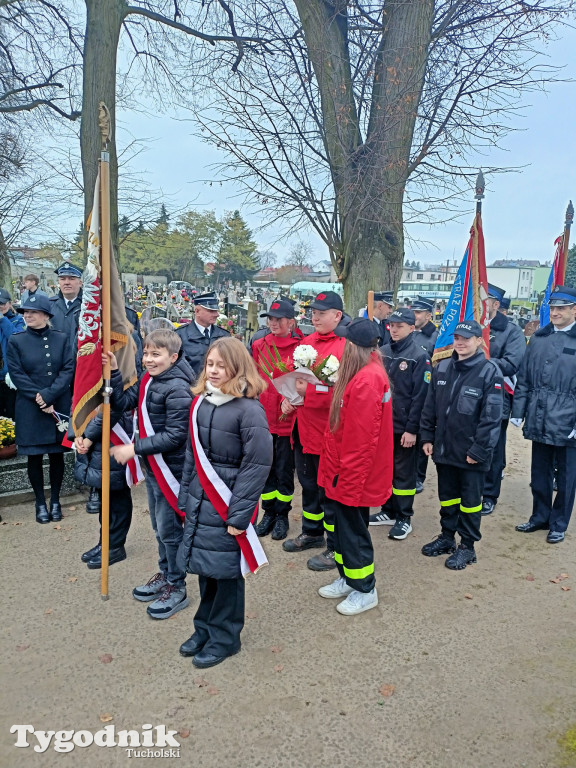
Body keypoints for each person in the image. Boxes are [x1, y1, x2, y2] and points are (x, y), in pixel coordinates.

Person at [177, 337, 272, 668]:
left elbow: (256, 466)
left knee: (228, 576)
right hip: (201, 503)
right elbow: (192, 457)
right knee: (206, 571)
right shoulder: (201, 402)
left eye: (221, 365)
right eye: (210, 364)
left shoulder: (250, 410)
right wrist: (184, 500)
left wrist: (240, 515)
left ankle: (225, 638)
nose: (213, 371)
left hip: (228, 504)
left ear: (238, 367)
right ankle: (204, 628)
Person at [108, 328, 194, 619]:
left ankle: (177, 586)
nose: (148, 359)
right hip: (154, 468)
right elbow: (124, 403)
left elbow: (175, 436)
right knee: (159, 528)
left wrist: (134, 449)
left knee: (170, 531)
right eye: (146, 353)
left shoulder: (178, 388)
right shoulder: (149, 378)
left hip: (172, 470)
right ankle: (166, 572)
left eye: (155, 354)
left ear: (173, 356)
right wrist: (116, 374)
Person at [316, 318, 393, 615]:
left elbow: (362, 440)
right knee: (341, 527)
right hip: (342, 467)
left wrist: (347, 479)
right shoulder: (362, 373)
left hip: (351, 471)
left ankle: (365, 588)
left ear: (354, 346)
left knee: (352, 530)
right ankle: (349, 576)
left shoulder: (367, 379)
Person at [419, 321, 503, 570]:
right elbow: (430, 406)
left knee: (470, 502)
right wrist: (426, 436)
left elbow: (492, 418)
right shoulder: (442, 367)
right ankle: (447, 538)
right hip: (445, 449)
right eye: (457, 338)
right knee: (448, 498)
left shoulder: (489, 373)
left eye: (467, 338)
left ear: (479, 341)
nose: (460, 343)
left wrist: (478, 450)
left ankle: (467, 546)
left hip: (471, 454)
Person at [282, 291, 346, 572]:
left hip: (328, 431)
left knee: (328, 489)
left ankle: (335, 545)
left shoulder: (346, 348)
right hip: (303, 427)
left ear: (337, 316)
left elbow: (344, 392)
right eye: (313, 312)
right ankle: (312, 531)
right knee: (308, 484)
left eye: (322, 312)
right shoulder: (306, 342)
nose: (315, 317)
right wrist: (288, 394)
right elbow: (291, 373)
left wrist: (309, 393)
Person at [511, 286, 576, 543]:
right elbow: (524, 378)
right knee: (539, 472)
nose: (556, 312)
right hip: (539, 415)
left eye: (562, 308)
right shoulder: (539, 339)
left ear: (574, 309)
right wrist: (518, 411)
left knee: (568, 476)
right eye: (554, 308)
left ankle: (559, 523)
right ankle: (539, 516)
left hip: (568, 419)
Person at [6, 294, 75, 523]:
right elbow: (16, 373)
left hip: (58, 404)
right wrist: (39, 398)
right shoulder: (16, 340)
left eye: (33, 312)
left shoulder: (62, 338)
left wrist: (49, 395)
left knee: (57, 456)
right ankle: (39, 502)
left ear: (46, 315)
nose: (27, 315)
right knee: (34, 458)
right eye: (25, 312)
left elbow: (68, 369)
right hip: (30, 407)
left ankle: (55, 500)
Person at [370, 308, 431, 539]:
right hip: (383, 425)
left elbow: (420, 397)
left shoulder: (419, 356)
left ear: (411, 328)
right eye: (392, 326)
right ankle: (388, 510)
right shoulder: (382, 352)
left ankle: (404, 516)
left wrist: (412, 430)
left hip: (404, 427)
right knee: (386, 469)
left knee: (404, 473)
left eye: (400, 326)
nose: (394, 330)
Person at [252, 298, 304, 540]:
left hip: (287, 419)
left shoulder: (301, 348)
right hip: (263, 416)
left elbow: (306, 382)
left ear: (290, 322)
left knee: (283, 469)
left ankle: (282, 514)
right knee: (264, 469)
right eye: (270, 319)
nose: (273, 323)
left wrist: (293, 400)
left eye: (278, 319)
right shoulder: (260, 344)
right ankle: (268, 513)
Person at [481, 284, 525, 515]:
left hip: (497, 396)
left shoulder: (511, 331)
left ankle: (489, 494)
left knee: (494, 447)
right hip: (469, 397)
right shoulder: (471, 325)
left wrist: (480, 364)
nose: (479, 304)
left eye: (484, 300)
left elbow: (511, 364)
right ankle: (473, 489)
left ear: (496, 304)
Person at [74, 410, 134, 568]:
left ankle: (115, 546)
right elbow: (80, 400)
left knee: (117, 494)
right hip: (95, 436)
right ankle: (105, 542)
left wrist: (88, 437)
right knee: (104, 496)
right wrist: (78, 433)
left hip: (113, 434)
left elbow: (113, 408)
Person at [176, 291, 229, 377]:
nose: (217, 314)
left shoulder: (224, 336)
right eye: (211, 311)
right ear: (197, 312)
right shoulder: (180, 336)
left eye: (216, 311)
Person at [0, 289, 26, 419]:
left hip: (9, 375)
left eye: (3, 303)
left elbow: (15, 339)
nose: (0, 306)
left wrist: (2, 319)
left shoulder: (18, 319)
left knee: (11, 412)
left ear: (10, 303)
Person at [49, 262, 83, 347]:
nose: (66, 282)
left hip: (80, 357)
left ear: (80, 283)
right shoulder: (49, 305)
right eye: (62, 279)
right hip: (56, 356)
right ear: (59, 282)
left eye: (71, 278)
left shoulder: (88, 305)